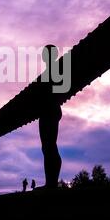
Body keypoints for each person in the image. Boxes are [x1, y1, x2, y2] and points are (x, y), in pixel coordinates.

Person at [39, 45, 63, 189]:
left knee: (50, 146)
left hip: (51, 110)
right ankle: (50, 182)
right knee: (46, 147)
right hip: (45, 111)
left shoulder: (59, 69)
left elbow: (62, 87)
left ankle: (52, 183)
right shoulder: (46, 73)